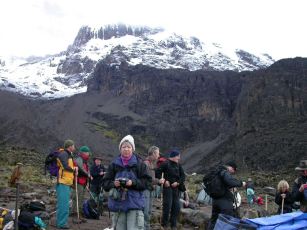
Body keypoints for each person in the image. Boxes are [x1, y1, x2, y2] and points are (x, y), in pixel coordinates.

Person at [103, 135, 152, 230]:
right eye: (123, 147)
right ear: (120, 149)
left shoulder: (140, 165)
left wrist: (132, 183)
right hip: (118, 205)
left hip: (134, 205)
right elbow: (105, 183)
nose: (126, 149)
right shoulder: (113, 165)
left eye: (128, 147)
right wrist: (114, 184)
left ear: (132, 149)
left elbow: (147, 182)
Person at [207, 161, 246, 230]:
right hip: (224, 201)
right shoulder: (224, 172)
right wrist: (241, 183)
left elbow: (223, 184)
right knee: (227, 221)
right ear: (230, 167)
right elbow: (230, 181)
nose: (233, 172)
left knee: (214, 220)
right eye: (234, 170)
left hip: (215, 200)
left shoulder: (217, 172)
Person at [156, 150, 186, 230]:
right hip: (167, 188)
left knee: (176, 206)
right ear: (173, 156)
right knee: (167, 205)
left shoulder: (178, 165)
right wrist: (165, 181)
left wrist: (178, 183)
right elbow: (157, 173)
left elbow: (183, 176)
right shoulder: (165, 163)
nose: (179, 158)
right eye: (178, 156)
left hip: (176, 188)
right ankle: (164, 224)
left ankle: (173, 225)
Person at [56, 139, 77, 229]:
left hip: (66, 182)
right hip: (63, 182)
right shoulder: (64, 154)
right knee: (63, 204)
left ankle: (61, 222)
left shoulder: (68, 155)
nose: (74, 147)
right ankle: (61, 223)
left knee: (64, 203)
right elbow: (65, 166)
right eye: (73, 145)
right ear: (70, 146)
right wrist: (74, 169)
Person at [143, 146, 165, 230]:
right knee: (145, 212)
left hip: (150, 190)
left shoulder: (152, 164)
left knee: (148, 212)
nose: (159, 156)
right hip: (145, 190)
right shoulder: (146, 164)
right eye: (158, 153)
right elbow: (148, 179)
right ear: (153, 153)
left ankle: (147, 227)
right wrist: (158, 181)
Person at [72, 145, 91, 217]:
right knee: (77, 197)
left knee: (81, 197)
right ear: (84, 153)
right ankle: (74, 212)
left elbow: (85, 169)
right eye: (87, 152)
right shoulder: (79, 159)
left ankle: (79, 211)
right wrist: (88, 175)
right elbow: (81, 168)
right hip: (78, 181)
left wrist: (88, 176)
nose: (88, 154)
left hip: (83, 182)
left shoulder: (85, 160)